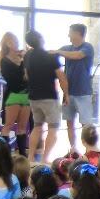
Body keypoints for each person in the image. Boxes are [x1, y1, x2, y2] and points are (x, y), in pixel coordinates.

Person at [24, 30, 68, 163]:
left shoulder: (27, 56)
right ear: (41, 39)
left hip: (33, 96)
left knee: (37, 126)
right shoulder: (50, 56)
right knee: (53, 128)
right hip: (49, 97)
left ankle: (31, 157)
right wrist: (66, 94)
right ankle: (45, 158)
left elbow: (26, 76)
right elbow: (62, 77)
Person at [52, 24, 95, 155]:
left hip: (83, 92)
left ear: (78, 33)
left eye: (70, 32)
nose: (68, 35)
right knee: (69, 122)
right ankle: (73, 149)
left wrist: (59, 52)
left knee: (85, 124)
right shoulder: (67, 48)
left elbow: (77, 55)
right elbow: (52, 54)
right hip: (68, 93)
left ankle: (89, 150)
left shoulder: (87, 47)